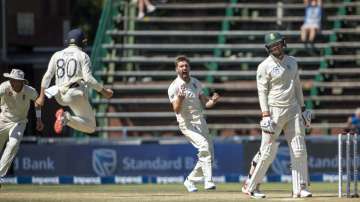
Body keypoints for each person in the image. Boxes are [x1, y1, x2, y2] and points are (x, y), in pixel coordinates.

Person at [241, 32, 313, 199]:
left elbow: (297, 86)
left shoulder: (292, 62)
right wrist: (265, 114)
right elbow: (262, 92)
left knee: (299, 149)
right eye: (272, 45)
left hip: (293, 110)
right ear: (268, 48)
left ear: (283, 44)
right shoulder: (264, 66)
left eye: (278, 44)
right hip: (274, 112)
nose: (276, 47)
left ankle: (300, 188)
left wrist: (303, 109)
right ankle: (250, 187)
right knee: (267, 151)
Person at [36, 28, 113, 135]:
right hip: (74, 93)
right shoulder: (83, 55)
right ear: (82, 41)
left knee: (83, 120)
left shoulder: (56, 55)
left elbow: (47, 76)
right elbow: (89, 79)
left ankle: (66, 119)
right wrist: (104, 91)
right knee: (91, 127)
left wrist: (41, 96)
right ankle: (65, 118)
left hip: (58, 95)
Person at [168, 55, 220, 192]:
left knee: (209, 154)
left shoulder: (196, 82)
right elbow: (176, 109)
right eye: (181, 66)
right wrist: (180, 97)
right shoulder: (174, 87)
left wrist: (213, 101)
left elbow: (205, 104)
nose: (184, 68)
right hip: (187, 124)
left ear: (189, 68)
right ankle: (208, 181)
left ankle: (190, 180)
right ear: (176, 69)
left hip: (200, 121)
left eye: (186, 66)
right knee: (204, 147)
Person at [0, 69, 44, 185]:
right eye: (11, 80)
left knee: (13, 144)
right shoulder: (4, 87)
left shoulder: (29, 91)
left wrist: (39, 119)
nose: (12, 82)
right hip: (3, 120)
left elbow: (38, 101)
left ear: (22, 82)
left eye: (16, 80)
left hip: (20, 121)